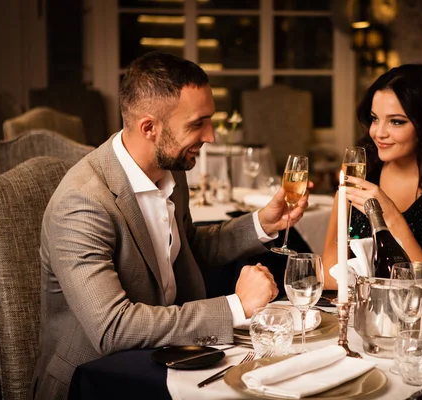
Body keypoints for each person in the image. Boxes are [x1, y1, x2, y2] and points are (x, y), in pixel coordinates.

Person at [31, 51, 310, 399]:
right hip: (97, 380)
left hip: (168, 359)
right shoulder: (83, 202)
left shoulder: (171, 169)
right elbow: (112, 328)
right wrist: (235, 307)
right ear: (150, 127)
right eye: (197, 124)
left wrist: (262, 223)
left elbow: (186, 247)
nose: (211, 136)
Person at [322, 64, 422, 287]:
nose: (379, 132)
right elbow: (330, 274)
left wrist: (390, 218)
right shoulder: (360, 177)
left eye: (396, 121)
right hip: (371, 314)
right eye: (375, 118)